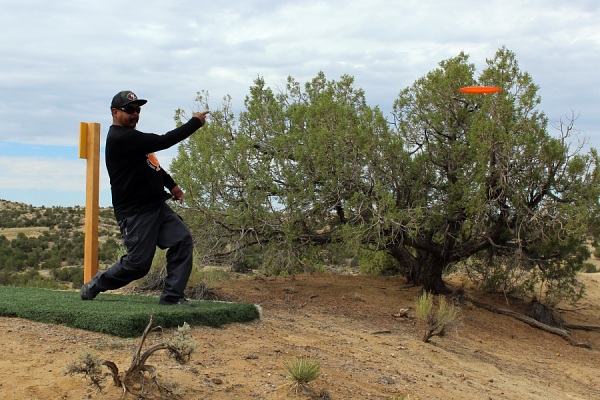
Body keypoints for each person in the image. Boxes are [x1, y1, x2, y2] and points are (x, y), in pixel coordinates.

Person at [80, 90, 209, 306]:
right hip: (135, 213)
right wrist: (194, 122)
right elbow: (164, 141)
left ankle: (172, 296)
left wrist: (172, 185)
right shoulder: (120, 137)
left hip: (156, 206)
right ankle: (98, 283)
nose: (135, 114)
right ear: (114, 112)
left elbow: (152, 164)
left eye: (138, 110)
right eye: (129, 110)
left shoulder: (134, 141)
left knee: (182, 239)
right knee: (138, 265)